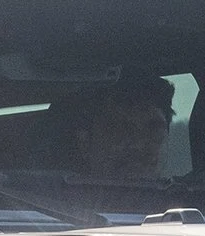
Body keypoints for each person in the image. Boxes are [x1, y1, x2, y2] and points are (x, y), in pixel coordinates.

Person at [46, 72, 178, 180]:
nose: (138, 144)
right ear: (84, 142)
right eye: (122, 129)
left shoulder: (184, 199)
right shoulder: (43, 200)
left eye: (154, 131)